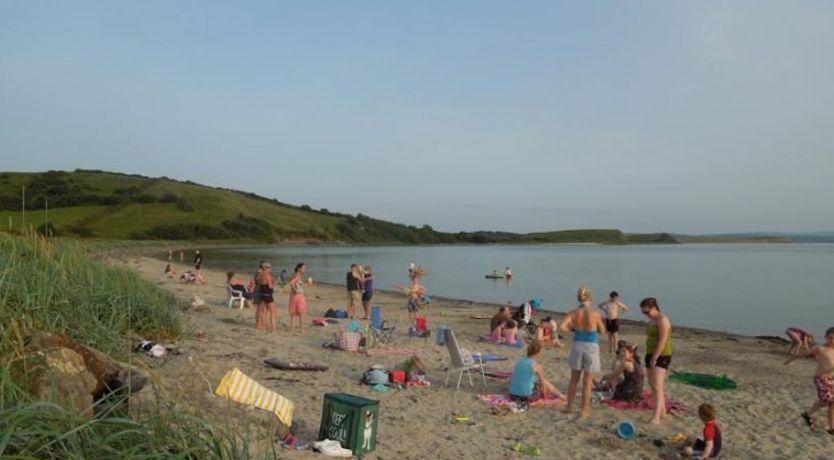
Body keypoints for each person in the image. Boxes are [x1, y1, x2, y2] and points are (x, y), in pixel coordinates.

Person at [559, 285, 606, 418]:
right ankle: (584, 410)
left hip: (578, 345)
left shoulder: (573, 312)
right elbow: (602, 332)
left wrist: (573, 329)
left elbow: (562, 327)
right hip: (591, 346)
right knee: (587, 381)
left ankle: (569, 407)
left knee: (574, 379)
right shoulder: (595, 313)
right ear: (590, 298)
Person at [784, 326, 834, 434]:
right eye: (830, 337)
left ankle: (810, 416)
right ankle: (830, 427)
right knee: (830, 401)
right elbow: (803, 354)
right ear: (826, 337)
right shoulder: (819, 349)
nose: (832, 340)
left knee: (828, 402)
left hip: (831, 379)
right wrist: (790, 360)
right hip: (820, 379)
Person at [641, 297, 672, 425]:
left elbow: (663, 340)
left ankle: (656, 417)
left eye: (647, 312)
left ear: (654, 307)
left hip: (661, 355)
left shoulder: (663, 320)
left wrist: (655, 357)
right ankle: (662, 411)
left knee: (658, 385)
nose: (646, 314)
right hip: (649, 353)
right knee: (653, 384)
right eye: (643, 312)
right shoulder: (652, 320)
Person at [508, 341, 562, 410]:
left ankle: (560, 395)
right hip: (526, 397)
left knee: (530, 381)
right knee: (544, 381)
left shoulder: (519, 362)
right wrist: (544, 397)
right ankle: (561, 396)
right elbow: (543, 384)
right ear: (538, 353)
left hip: (513, 395)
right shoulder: (536, 365)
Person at [256, 261, 277, 332]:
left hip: (262, 295)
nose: (271, 269)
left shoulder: (260, 275)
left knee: (264, 312)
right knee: (273, 312)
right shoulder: (267, 275)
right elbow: (270, 287)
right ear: (266, 268)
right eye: (269, 267)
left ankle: (263, 327)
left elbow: (259, 283)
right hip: (268, 295)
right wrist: (274, 283)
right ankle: (273, 329)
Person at [288, 263, 308, 335]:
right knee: (301, 313)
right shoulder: (298, 275)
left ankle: (292, 330)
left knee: (293, 313)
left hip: (294, 296)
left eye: (305, 268)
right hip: (298, 296)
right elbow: (291, 283)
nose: (305, 269)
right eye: (303, 268)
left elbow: (297, 284)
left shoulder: (296, 274)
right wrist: (295, 290)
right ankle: (302, 330)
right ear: (299, 269)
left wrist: (305, 284)